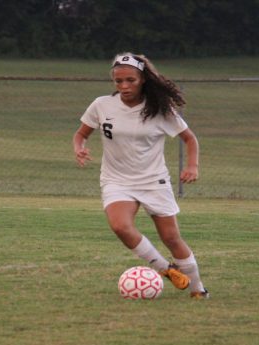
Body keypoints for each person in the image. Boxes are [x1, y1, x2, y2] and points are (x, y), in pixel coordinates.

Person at [72, 52, 209, 299]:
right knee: (120, 226)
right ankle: (165, 270)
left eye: (130, 80)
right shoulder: (101, 105)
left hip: (152, 180)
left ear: (143, 79)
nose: (124, 86)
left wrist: (192, 166)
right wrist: (79, 148)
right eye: (118, 81)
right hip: (116, 180)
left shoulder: (159, 109)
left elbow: (189, 139)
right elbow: (80, 134)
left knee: (171, 238)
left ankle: (198, 289)